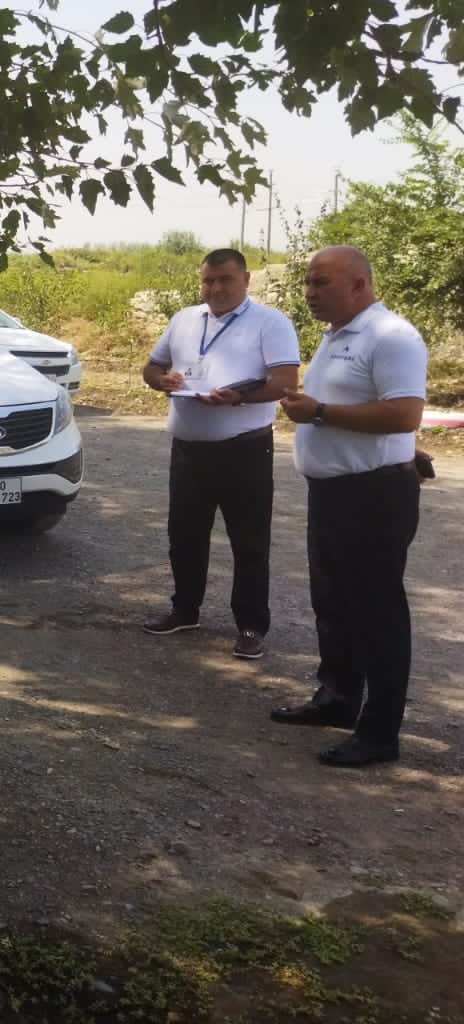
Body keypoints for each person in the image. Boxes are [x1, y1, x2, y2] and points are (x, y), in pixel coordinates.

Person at [274, 246, 427, 768]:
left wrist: (318, 411)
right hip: (334, 492)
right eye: (308, 283)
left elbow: (405, 414)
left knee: (377, 613)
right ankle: (338, 699)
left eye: (321, 283)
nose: (309, 293)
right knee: (333, 603)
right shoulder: (337, 335)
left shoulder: (391, 336)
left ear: (359, 285)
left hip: (374, 497)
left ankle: (380, 733)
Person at [140, 248, 300, 659]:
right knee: (184, 535)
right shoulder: (184, 319)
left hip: (244, 449)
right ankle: (184, 610)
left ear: (245, 279)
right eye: (208, 281)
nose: (215, 288)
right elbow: (151, 369)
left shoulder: (270, 322)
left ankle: (251, 625)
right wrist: (163, 380)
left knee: (248, 541)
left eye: (225, 279)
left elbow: (284, 382)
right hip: (188, 449)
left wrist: (238, 397)